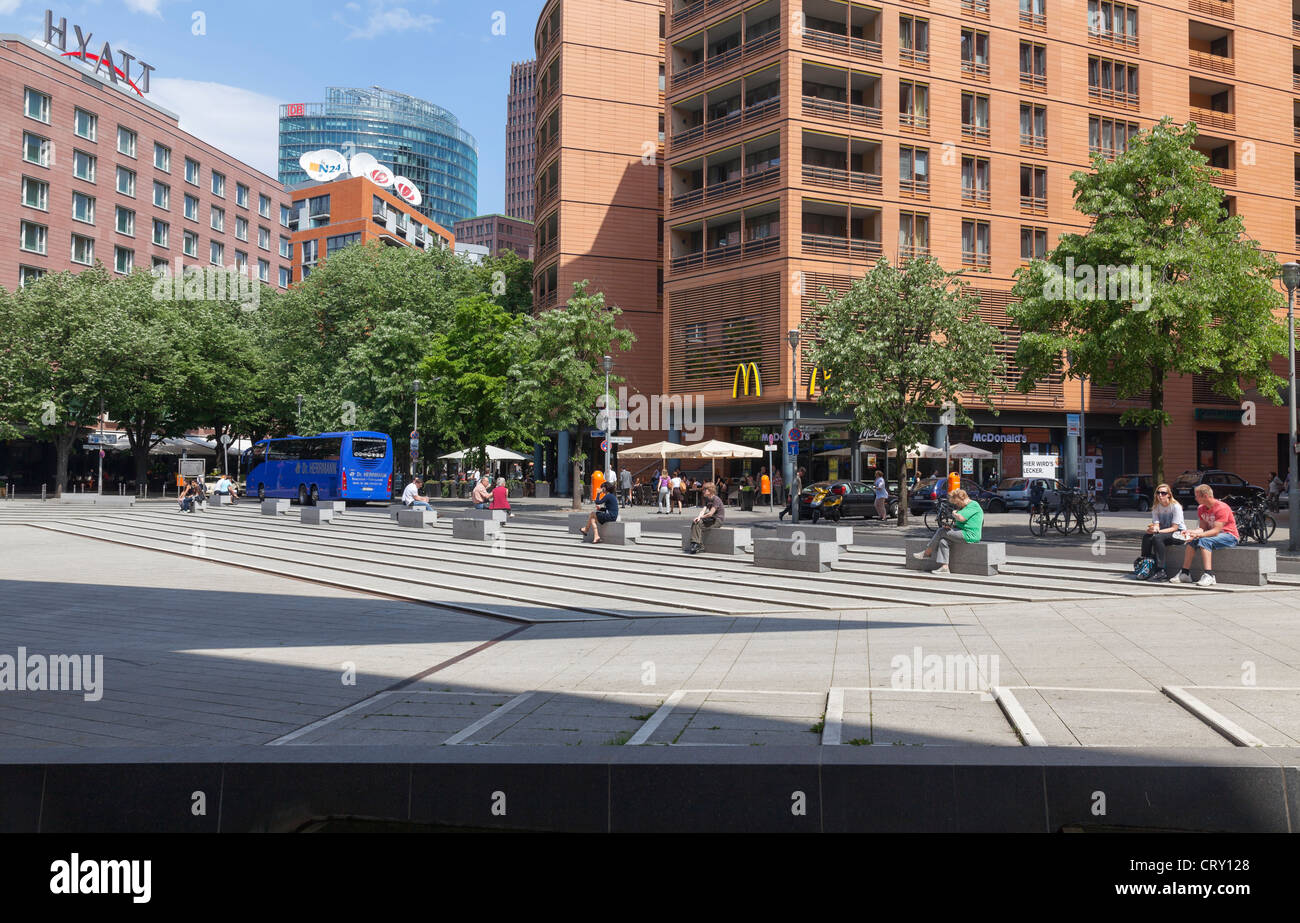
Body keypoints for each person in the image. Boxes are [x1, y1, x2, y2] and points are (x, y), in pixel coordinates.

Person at [1171, 484, 1239, 588]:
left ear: (1205, 496)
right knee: (1191, 542)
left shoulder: (1222, 508)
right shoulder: (1201, 508)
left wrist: (1198, 535)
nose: (1195, 498)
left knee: (1205, 541)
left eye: (1197, 496)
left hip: (1229, 536)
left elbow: (1216, 531)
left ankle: (1209, 575)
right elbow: (1202, 528)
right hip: (1212, 535)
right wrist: (1191, 532)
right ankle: (1185, 573)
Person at [912, 488, 983, 574]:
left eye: (957, 502)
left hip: (970, 535)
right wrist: (951, 527)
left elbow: (961, 518)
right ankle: (945, 567)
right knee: (943, 541)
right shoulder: (964, 507)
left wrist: (954, 513)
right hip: (962, 532)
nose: (957, 505)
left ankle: (927, 552)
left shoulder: (973, 505)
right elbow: (963, 522)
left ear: (961, 499)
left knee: (941, 531)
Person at [1139, 483, 1185, 582]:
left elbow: (1174, 527)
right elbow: (1156, 524)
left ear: (1169, 494)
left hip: (1179, 533)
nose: (1160, 495)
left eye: (1163, 493)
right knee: (1147, 537)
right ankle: (1147, 565)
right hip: (1164, 533)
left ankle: (1161, 571)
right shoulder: (1156, 507)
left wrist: (1158, 531)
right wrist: (1153, 529)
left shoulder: (1175, 507)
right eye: (1158, 493)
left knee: (1157, 537)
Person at [685, 482, 725, 554]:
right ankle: (696, 544)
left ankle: (697, 544)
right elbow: (703, 510)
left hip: (717, 520)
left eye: (704, 489)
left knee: (698, 524)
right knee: (696, 522)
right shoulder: (707, 499)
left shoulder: (716, 499)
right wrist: (698, 517)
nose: (703, 491)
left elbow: (711, 513)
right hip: (711, 519)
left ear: (709, 491)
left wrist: (700, 518)